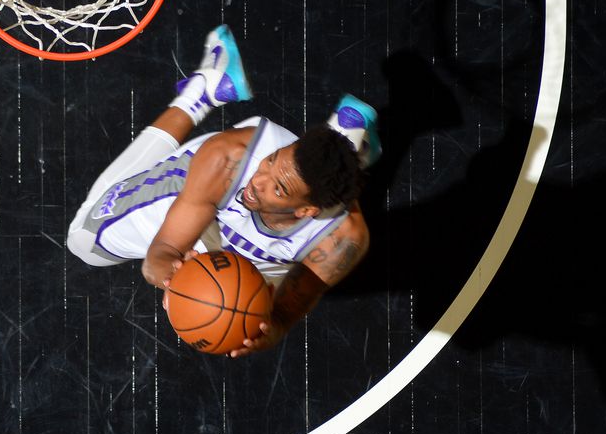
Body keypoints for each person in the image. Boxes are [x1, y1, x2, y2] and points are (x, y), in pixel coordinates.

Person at [67, 25, 380, 357]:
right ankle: (206, 90)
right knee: (83, 242)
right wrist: (169, 274)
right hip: (205, 190)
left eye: (277, 186)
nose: (258, 181)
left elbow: (289, 310)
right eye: (271, 161)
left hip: (273, 238)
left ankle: (346, 141)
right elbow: (164, 250)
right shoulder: (228, 159)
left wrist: (269, 331)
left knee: (269, 287)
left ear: (307, 211)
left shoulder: (341, 240)